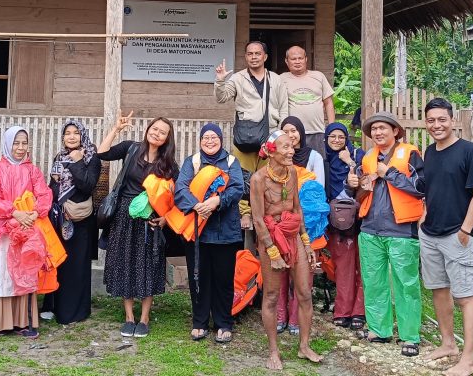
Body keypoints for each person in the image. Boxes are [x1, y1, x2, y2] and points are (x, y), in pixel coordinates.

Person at [418, 98, 473, 376]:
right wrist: (425, 215)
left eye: (442, 120)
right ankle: (448, 344)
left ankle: (469, 359)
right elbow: (433, 188)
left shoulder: (470, 152)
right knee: (439, 290)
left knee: (466, 296)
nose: (437, 125)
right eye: (431, 120)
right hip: (431, 232)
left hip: (458, 235)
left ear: (452, 120)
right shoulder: (430, 152)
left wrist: (465, 229)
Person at [97, 112, 179, 339]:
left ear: (167, 139)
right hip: (124, 215)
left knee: (148, 265)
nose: (157, 133)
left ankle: (144, 318)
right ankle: (128, 317)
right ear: (148, 129)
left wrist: (165, 219)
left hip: (150, 220)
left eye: (163, 132)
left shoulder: (169, 163)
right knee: (125, 263)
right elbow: (101, 153)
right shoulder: (130, 148)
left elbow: (178, 196)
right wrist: (116, 129)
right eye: (155, 129)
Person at [250, 130, 323, 370]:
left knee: (304, 293)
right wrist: (270, 250)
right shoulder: (258, 179)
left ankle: (304, 346)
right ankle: (273, 351)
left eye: (292, 147)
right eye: (285, 147)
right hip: (271, 238)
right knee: (271, 296)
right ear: (271, 152)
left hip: (293, 236)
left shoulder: (292, 172)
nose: (292, 151)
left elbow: (297, 208)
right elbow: (258, 219)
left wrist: (306, 241)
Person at [355, 112, 424, 356]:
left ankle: (410, 336)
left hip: (402, 229)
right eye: (374, 129)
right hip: (370, 228)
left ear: (395, 131)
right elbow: (359, 191)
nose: (378, 133)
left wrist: (390, 174)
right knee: (374, 282)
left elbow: (421, 187)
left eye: (383, 128)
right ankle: (379, 330)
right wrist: (353, 183)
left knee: (406, 284)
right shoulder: (367, 157)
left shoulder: (410, 153)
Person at [0, 126, 52, 337]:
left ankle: (24, 322)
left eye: (24, 143)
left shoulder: (33, 171)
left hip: (28, 230)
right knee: (3, 273)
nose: (20, 148)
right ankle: (1, 323)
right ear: (7, 144)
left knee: (26, 271)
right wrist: (15, 213)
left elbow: (44, 194)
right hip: (2, 231)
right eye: (16, 143)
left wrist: (35, 214)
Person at [173, 123, 245, 344]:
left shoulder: (232, 162)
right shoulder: (192, 162)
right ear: (200, 140)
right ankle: (199, 322)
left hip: (226, 232)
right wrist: (197, 206)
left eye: (214, 137)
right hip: (198, 231)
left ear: (221, 139)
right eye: (206, 137)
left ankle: (224, 323)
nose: (210, 141)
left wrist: (216, 201)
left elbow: (237, 189)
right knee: (199, 278)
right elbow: (180, 188)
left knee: (223, 279)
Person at [41, 119, 102, 325]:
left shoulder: (91, 158)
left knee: (76, 266)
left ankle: (74, 312)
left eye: (76, 132)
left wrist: (76, 162)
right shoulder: (60, 156)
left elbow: (87, 185)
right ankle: (52, 306)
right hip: (58, 218)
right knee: (58, 262)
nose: (72, 136)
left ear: (82, 135)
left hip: (80, 221)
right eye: (68, 133)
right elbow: (53, 185)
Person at [276, 116, 325, 335]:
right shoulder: (275, 160)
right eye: (285, 131)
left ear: (301, 133)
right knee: (280, 272)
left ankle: (296, 318)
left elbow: (319, 193)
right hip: (280, 226)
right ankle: (280, 315)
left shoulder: (312, 157)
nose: (291, 135)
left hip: (308, 225)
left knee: (303, 277)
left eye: (294, 130)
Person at [214, 41, 289, 173]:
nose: (253, 57)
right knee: (243, 179)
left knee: (270, 178)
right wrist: (220, 81)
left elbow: (283, 109)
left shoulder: (276, 80)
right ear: (246, 57)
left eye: (257, 54)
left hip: (270, 137)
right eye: (250, 54)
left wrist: (281, 135)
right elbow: (221, 98)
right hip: (245, 137)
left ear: (265, 57)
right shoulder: (238, 78)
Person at [321, 122, 365, 331]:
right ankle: (343, 311)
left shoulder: (358, 155)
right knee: (344, 267)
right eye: (332, 137)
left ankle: (359, 311)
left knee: (363, 266)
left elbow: (365, 179)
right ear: (326, 139)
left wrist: (350, 162)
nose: (337, 140)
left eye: (341, 136)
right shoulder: (324, 160)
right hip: (337, 222)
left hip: (362, 218)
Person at [280, 46, 335, 156]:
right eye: (293, 59)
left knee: (318, 165)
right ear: (286, 61)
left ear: (306, 59)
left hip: (317, 132)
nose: (297, 61)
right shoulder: (281, 79)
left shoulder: (318, 76)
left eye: (300, 58)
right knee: (294, 166)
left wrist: (331, 128)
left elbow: (328, 103)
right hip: (292, 134)